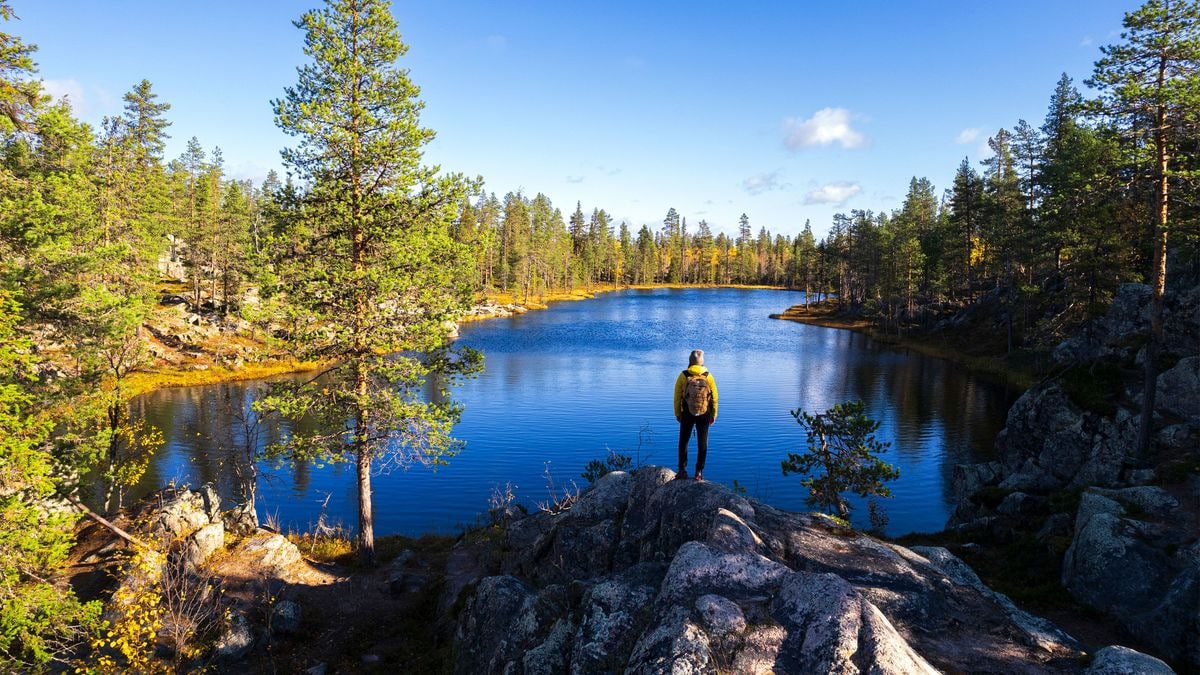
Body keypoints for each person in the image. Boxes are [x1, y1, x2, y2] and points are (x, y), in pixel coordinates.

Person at [674, 349, 717, 481]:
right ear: (702, 362)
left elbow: (677, 397)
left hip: (687, 412)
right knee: (702, 444)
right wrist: (713, 414)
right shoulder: (708, 376)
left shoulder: (683, 375)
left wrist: (678, 413)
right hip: (704, 413)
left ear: (689, 361)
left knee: (684, 442)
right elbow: (714, 397)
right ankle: (698, 472)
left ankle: (682, 470)